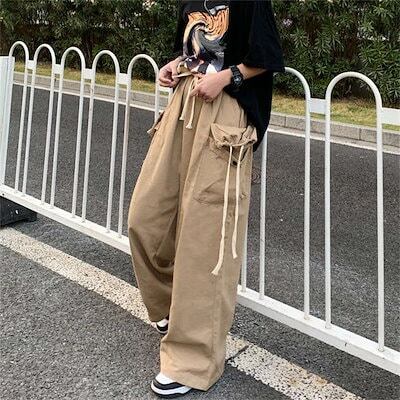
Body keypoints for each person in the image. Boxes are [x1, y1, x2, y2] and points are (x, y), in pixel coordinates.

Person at [127, 0, 284, 397]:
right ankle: (172, 310)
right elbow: (193, 50)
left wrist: (228, 77)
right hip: (183, 104)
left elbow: (266, 56)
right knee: (146, 217)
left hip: (225, 111)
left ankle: (193, 359)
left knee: (206, 236)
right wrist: (173, 65)